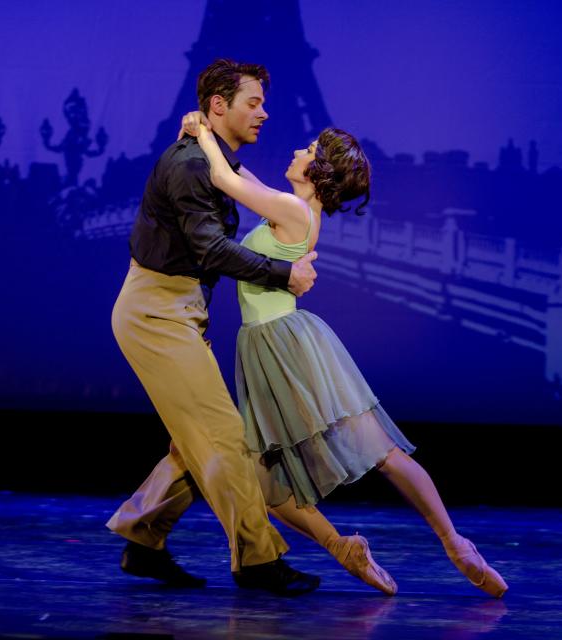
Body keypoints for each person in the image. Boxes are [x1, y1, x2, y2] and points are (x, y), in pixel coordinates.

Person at [180, 111, 509, 598]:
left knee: (380, 451)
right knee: (267, 483)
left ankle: (455, 542)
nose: (297, 151)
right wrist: (213, 142)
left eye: (308, 150)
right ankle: (346, 548)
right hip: (266, 347)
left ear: (317, 172)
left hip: (287, 346)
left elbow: (227, 178)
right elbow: (243, 177)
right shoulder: (292, 208)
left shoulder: (294, 213)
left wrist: (202, 132)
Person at [105, 59, 322, 596]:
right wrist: (284, 275)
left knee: (192, 441)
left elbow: (244, 196)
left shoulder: (213, 158)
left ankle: (142, 537)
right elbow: (210, 249)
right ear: (219, 105)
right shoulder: (192, 166)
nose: (264, 113)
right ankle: (257, 559)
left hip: (176, 310)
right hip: (156, 313)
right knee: (224, 434)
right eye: (254, 103)